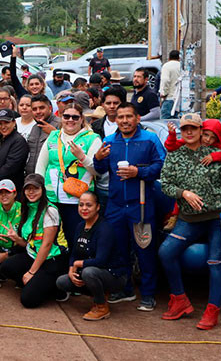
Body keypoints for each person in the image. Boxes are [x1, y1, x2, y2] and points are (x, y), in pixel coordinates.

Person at [158, 113, 221, 330]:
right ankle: (179, 300)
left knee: (216, 262)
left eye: (193, 129)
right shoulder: (175, 155)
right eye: (185, 129)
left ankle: (212, 310)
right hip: (189, 218)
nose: (189, 132)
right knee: (166, 252)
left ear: (200, 130)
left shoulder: (217, 154)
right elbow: (165, 184)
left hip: (220, 218)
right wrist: (183, 193)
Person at [93, 102, 165, 311]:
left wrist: (138, 173)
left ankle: (148, 294)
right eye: (120, 117)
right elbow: (100, 169)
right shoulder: (108, 141)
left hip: (141, 204)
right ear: (115, 120)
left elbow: (161, 166)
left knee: (145, 250)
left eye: (129, 117)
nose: (124, 121)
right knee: (118, 250)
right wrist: (98, 159)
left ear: (137, 119)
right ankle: (125, 289)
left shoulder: (149, 139)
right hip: (115, 205)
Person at [35, 103, 100, 251]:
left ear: (81, 119)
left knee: (74, 239)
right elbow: (41, 165)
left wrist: (82, 157)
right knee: (50, 239)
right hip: (51, 198)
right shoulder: (53, 136)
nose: (70, 120)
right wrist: (40, 193)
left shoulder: (92, 138)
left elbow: (97, 170)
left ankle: (74, 268)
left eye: (75, 117)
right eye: (66, 116)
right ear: (60, 117)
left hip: (78, 200)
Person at [0, 174, 68, 307]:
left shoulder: (50, 211)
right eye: (28, 188)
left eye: (35, 188)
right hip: (33, 254)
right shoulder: (29, 208)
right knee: (6, 268)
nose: (31, 192)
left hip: (51, 260)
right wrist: (17, 239)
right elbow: (31, 243)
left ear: (42, 189)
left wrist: (31, 272)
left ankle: (56, 289)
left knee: (28, 300)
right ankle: (36, 284)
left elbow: (46, 245)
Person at [56, 191, 128, 320]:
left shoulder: (105, 229)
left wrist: (78, 264)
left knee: (89, 273)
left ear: (98, 207)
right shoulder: (80, 226)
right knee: (62, 282)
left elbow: (101, 260)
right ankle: (99, 294)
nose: (84, 208)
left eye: (89, 205)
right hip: (92, 271)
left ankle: (101, 307)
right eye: (81, 205)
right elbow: (74, 253)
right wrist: (71, 268)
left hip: (114, 275)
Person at [89, 86, 127, 211]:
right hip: (99, 184)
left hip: (123, 184)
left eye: (116, 103)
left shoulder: (131, 128)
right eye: (108, 103)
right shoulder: (94, 127)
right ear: (102, 105)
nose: (112, 106)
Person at [24, 94, 61, 176]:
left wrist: (55, 133)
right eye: (34, 109)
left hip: (52, 178)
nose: (38, 112)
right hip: (32, 177)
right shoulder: (34, 127)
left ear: (50, 108)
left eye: (41, 108)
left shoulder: (61, 124)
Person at [159, 50, 181, 119]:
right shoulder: (182, 66)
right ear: (179, 58)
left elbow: (165, 80)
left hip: (169, 98)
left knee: (165, 122)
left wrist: (163, 93)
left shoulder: (166, 66)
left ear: (169, 58)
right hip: (180, 99)